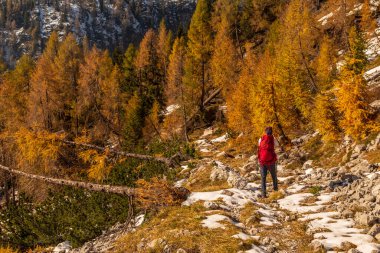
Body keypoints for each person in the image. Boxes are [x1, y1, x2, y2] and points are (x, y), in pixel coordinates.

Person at [257, 126, 278, 198]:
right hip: (271, 160)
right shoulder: (273, 138)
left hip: (262, 161)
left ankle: (263, 194)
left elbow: (259, 147)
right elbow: (277, 145)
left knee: (263, 177)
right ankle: (275, 190)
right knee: (274, 176)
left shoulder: (261, 138)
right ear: (272, 132)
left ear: (265, 131)